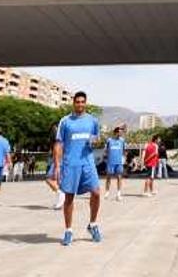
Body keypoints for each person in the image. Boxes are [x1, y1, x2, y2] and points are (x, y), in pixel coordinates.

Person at [53, 91, 102, 245]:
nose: (80, 104)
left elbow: (97, 139)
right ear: (73, 103)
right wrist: (57, 165)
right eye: (77, 102)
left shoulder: (93, 121)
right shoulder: (65, 121)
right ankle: (68, 230)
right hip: (70, 163)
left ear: (85, 103)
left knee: (96, 193)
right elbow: (59, 144)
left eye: (82, 102)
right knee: (69, 197)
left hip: (88, 162)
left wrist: (96, 141)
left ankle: (92, 224)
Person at [44, 123, 65, 209]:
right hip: (63, 161)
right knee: (59, 183)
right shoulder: (64, 139)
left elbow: (57, 152)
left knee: (49, 179)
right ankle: (60, 203)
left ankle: (61, 195)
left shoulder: (58, 140)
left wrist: (56, 164)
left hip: (57, 162)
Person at [104, 127, 126, 201]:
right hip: (110, 162)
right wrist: (106, 158)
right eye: (120, 132)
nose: (121, 133)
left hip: (119, 162)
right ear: (116, 132)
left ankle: (118, 194)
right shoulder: (109, 140)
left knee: (119, 177)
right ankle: (107, 192)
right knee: (108, 177)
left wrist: (123, 159)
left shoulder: (122, 141)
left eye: (122, 132)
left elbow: (124, 151)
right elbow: (106, 151)